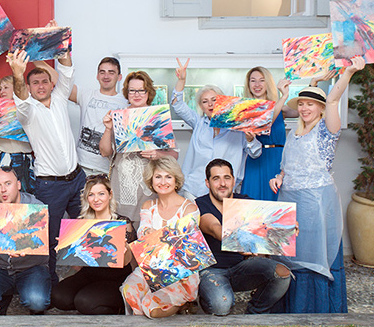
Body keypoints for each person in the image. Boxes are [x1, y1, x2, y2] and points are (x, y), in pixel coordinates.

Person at [269, 56, 364, 313]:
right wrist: (279, 178)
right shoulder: (294, 133)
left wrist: (348, 73)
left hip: (316, 203)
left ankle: (316, 308)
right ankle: (290, 309)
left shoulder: (326, 131)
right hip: (290, 201)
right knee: (292, 254)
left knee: (314, 254)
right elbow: (287, 165)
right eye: (301, 104)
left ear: (321, 108)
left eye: (310, 104)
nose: (304, 108)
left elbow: (332, 100)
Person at [7, 47, 86, 285]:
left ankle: (88, 279)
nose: (41, 86)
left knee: (86, 230)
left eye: (44, 81)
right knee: (48, 238)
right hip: (50, 187)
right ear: (29, 87)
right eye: (35, 83)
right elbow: (20, 97)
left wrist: (63, 48)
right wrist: (18, 74)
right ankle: (50, 285)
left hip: (78, 179)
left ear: (51, 84)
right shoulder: (27, 112)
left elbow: (67, 72)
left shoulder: (60, 98)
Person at [196, 158, 290, 315]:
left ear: (233, 180)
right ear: (207, 183)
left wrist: (288, 227)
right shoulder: (199, 204)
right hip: (212, 271)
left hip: (242, 269)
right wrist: (237, 241)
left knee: (282, 273)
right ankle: (206, 298)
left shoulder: (245, 202)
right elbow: (214, 228)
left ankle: (254, 313)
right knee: (221, 305)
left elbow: (267, 226)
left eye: (227, 178)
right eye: (216, 178)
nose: (222, 183)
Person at [120, 157, 199, 318]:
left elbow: (187, 251)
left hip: (180, 273)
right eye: (158, 177)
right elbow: (143, 238)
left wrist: (156, 237)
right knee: (129, 290)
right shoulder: (148, 206)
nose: (163, 182)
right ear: (152, 180)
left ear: (176, 180)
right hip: (151, 268)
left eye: (168, 177)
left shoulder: (189, 209)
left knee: (150, 306)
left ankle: (182, 304)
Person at [172, 58, 262, 198]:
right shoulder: (198, 123)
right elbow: (177, 105)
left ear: (222, 101)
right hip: (194, 189)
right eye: (205, 101)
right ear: (201, 106)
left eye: (214, 100)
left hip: (225, 191)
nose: (210, 104)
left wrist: (250, 140)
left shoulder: (237, 128)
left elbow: (256, 153)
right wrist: (181, 80)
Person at [99, 71, 179, 224]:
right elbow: (104, 152)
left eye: (141, 90)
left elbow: (174, 155)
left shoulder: (157, 118)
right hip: (121, 188)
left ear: (148, 92)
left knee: (147, 229)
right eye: (132, 90)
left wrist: (157, 154)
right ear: (127, 92)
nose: (136, 94)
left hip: (150, 189)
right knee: (121, 231)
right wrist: (108, 128)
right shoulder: (119, 117)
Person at [51, 175, 137, 315]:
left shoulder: (122, 223)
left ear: (110, 195)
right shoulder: (82, 223)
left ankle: (115, 308)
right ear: (87, 198)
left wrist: (125, 249)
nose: (96, 199)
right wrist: (66, 250)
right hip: (89, 274)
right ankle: (93, 302)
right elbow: (77, 266)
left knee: (84, 302)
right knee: (58, 296)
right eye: (91, 195)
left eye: (101, 194)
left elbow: (128, 262)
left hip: (115, 277)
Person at [0, 167, 51, 317]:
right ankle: (2, 299)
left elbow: (42, 245)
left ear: (18, 185)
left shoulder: (36, 208)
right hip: (0, 268)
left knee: (37, 301)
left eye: (8, 184)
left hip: (30, 268)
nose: (3, 190)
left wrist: (26, 247)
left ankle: (31, 304)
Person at [240, 67, 297, 201]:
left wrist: (313, 84)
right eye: (253, 81)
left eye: (262, 80)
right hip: (255, 160)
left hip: (278, 161)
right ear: (248, 84)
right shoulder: (245, 111)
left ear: (268, 83)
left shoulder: (281, 108)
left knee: (278, 203)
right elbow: (266, 119)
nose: (257, 85)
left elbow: (304, 110)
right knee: (252, 203)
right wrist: (283, 97)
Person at [70, 57, 127, 176]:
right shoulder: (86, 95)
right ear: (97, 76)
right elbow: (62, 83)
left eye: (111, 72)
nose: (106, 76)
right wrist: (40, 60)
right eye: (102, 72)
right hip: (81, 167)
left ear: (119, 77)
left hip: (107, 170)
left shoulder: (126, 104)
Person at [0, 76, 35, 198]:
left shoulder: (27, 112)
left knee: (24, 201)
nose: (2, 91)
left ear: (16, 89)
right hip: (1, 161)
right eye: (1, 88)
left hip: (23, 162)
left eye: (6, 87)